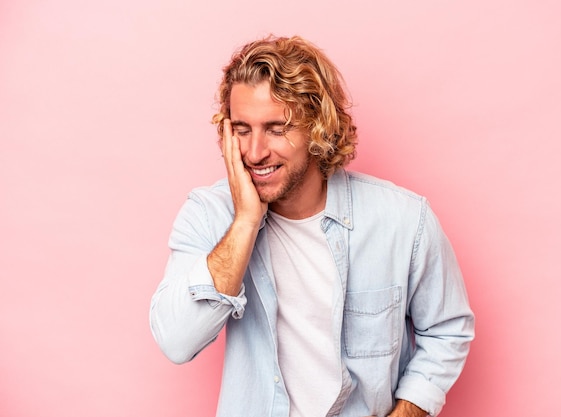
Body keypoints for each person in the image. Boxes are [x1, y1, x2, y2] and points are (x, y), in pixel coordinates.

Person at [150, 35, 474, 417]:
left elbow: (447, 330)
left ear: (318, 126)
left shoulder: (403, 220)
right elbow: (176, 340)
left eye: (276, 128)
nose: (255, 152)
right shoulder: (208, 215)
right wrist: (246, 221)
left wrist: (407, 412)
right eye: (241, 129)